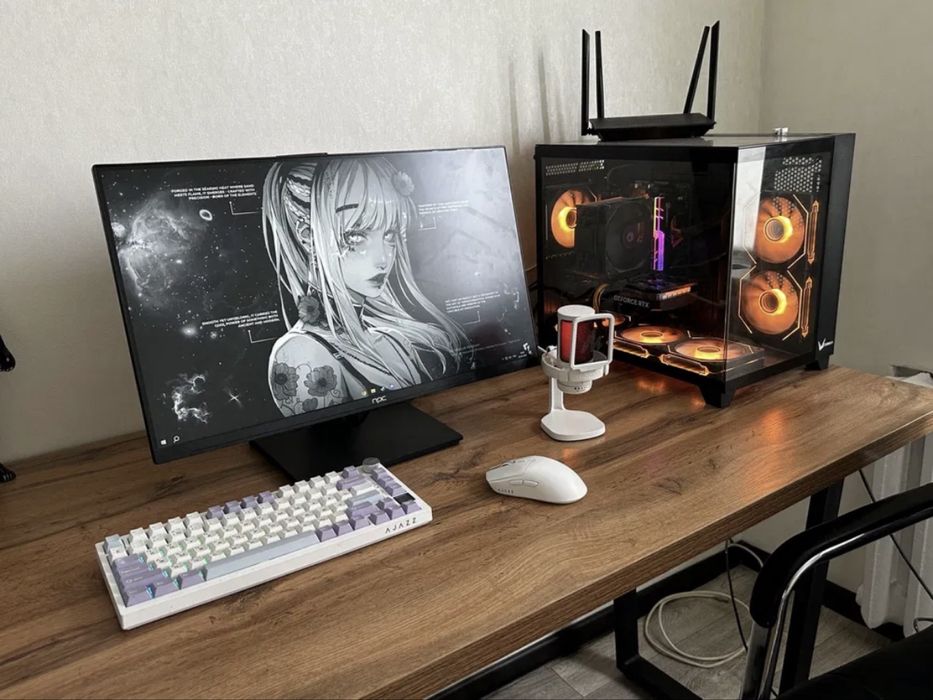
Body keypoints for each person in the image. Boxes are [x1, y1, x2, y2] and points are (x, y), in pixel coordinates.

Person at [262, 156, 469, 417]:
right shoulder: (301, 352)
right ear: (308, 237)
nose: (383, 258)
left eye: (389, 235)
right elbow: (326, 439)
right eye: (356, 235)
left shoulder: (394, 340)